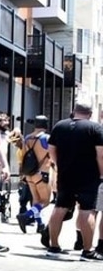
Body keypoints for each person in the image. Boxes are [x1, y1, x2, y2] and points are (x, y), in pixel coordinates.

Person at [44, 103, 103, 259]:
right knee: (87, 211)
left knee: (59, 209)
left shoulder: (60, 126)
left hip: (65, 175)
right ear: (90, 113)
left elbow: (51, 149)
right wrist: (102, 174)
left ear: (74, 112)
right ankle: (87, 250)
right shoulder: (95, 128)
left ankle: (54, 246)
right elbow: (100, 154)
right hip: (89, 177)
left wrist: (58, 165)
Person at [17, 115, 53, 235]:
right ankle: (25, 216)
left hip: (29, 173)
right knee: (45, 201)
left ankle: (40, 224)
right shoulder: (46, 138)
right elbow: (52, 155)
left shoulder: (27, 138)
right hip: (42, 173)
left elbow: (23, 156)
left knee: (36, 200)